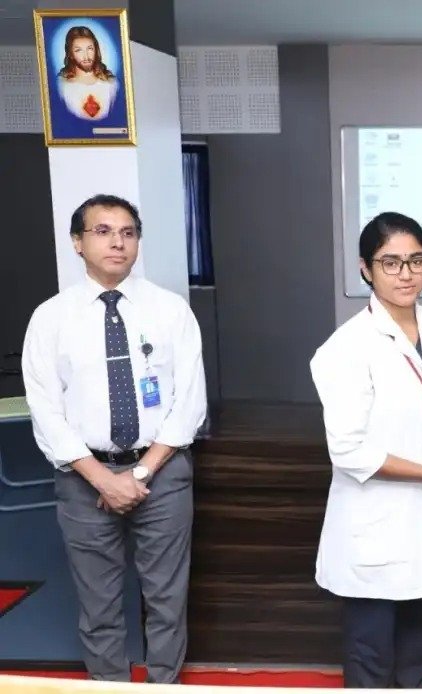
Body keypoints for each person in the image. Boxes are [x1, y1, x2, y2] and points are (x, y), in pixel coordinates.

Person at [21, 194, 207, 683]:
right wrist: (103, 478)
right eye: (102, 231)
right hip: (84, 477)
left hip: (162, 473)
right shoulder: (50, 318)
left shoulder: (170, 311)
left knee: (167, 599)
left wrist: (139, 473)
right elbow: (46, 410)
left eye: (128, 232)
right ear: (77, 243)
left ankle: (164, 687)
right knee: (98, 604)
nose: (118, 242)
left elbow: (189, 403)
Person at [310, 211, 422, 688]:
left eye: (416, 260)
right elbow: (349, 450)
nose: (406, 273)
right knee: (371, 658)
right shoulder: (345, 348)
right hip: (377, 528)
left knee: (419, 651)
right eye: (390, 263)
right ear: (365, 269)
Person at [56, 26, 119, 121]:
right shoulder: (61, 85)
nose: (86, 56)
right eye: (78, 50)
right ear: (70, 54)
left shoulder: (111, 83)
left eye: (90, 49)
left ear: (96, 50)